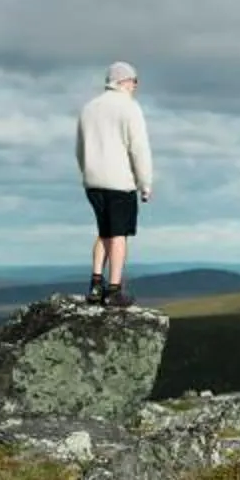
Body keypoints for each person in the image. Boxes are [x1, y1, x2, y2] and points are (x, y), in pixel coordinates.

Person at [74, 60, 154, 306]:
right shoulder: (129, 108)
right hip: (120, 181)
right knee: (119, 235)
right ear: (124, 82)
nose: (136, 87)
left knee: (104, 231)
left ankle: (96, 284)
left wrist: (87, 173)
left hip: (93, 181)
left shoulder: (88, 108)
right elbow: (138, 148)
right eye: (134, 82)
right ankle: (114, 290)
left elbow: (80, 148)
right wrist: (145, 183)